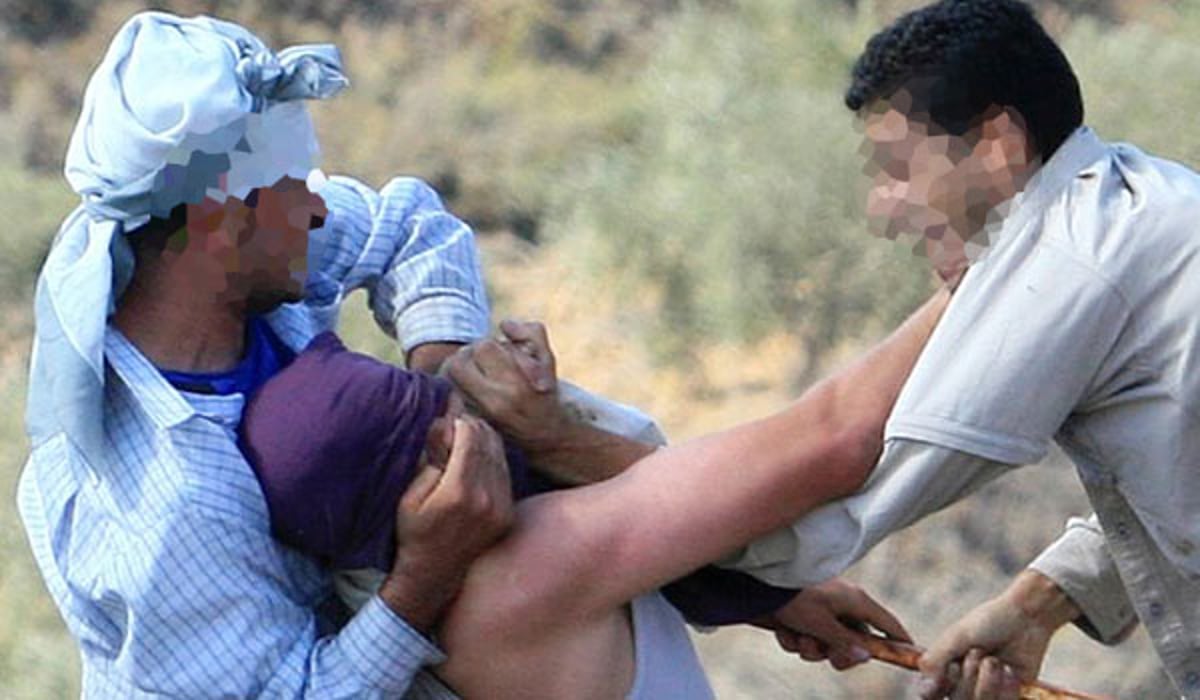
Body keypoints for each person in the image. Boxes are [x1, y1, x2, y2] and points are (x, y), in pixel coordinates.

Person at [692, 1, 1200, 698]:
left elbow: (861, 497)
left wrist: (640, 538)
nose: (883, 207)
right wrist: (1036, 605)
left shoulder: (1072, 259)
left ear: (997, 144)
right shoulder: (1146, 203)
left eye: (899, 168)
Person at [17, 12, 509, 697]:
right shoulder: (167, 505)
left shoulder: (231, 260)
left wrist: (443, 383)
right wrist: (427, 571)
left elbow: (410, 226)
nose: (317, 209)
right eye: (297, 185)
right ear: (220, 223)